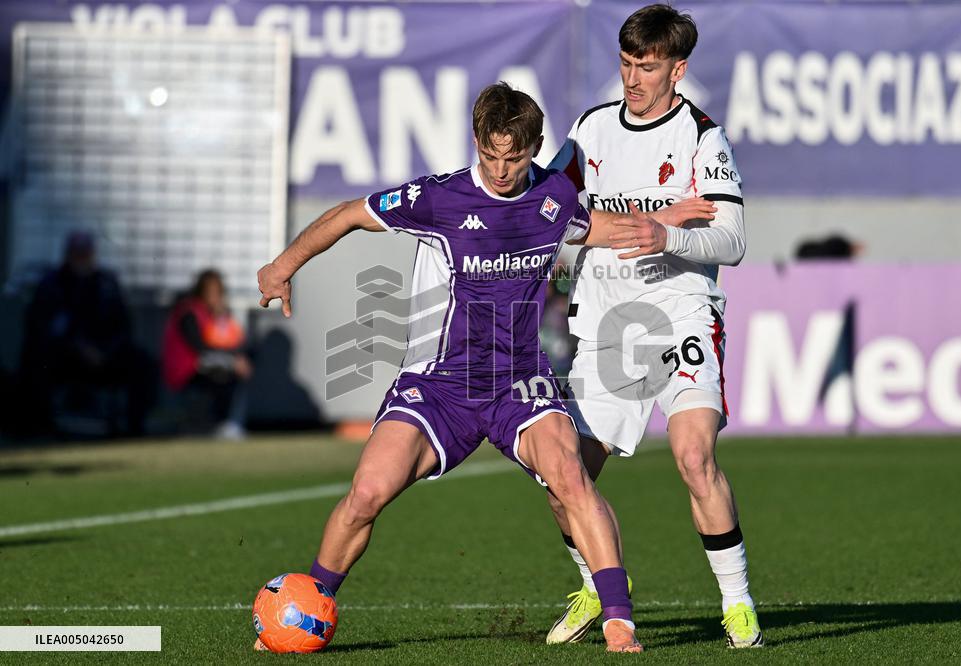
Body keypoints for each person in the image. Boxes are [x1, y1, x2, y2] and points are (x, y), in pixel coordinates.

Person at [257, 83, 670, 653]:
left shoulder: (554, 200)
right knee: (367, 493)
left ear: (535, 148)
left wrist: (677, 228)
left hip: (518, 382)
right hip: (436, 385)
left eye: (515, 157)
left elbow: (611, 228)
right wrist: (282, 266)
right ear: (476, 141)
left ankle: (618, 620)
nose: (501, 169)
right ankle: (309, 607)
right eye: (491, 154)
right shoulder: (439, 198)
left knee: (571, 475)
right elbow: (349, 214)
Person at [545, 4, 762, 648]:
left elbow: (732, 239)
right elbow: (548, 211)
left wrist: (663, 235)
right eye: (626, 63)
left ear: (678, 68)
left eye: (647, 66)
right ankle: (596, 584)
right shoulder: (589, 131)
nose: (633, 78)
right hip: (609, 319)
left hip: (680, 311)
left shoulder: (701, 137)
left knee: (695, 455)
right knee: (564, 474)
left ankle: (737, 601)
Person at [19, 230, 155, 436]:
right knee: (37, 359)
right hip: (66, 358)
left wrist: (104, 351)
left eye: (86, 253)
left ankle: (133, 427)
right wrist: (78, 347)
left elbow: (123, 326)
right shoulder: (52, 284)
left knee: (142, 361)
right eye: (77, 253)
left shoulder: (106, 284)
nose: (82, 259)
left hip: (104, 357)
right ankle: (40, 426)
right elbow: (42, 327)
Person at [163, 269, 252, 439]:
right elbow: (200, 349)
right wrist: (233, 361)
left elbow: (233, 341)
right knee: (230, 369)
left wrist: (221, 318)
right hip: (185, 370)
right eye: (211, 292)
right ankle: (223, 424)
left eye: (218, 292)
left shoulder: (212, 314)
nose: (216, 297)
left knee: (240, 365)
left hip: (202, 364)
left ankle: (230, 423)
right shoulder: (189, 312)